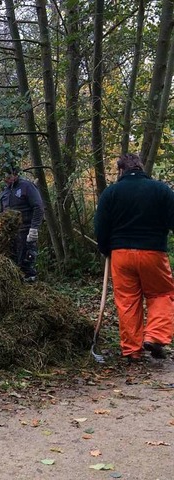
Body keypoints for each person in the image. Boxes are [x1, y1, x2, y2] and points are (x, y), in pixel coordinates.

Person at [94, 153, 174, 362]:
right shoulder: (161, 190)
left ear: (121, 170)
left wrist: (105, 249)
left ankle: (132, 351)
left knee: (127, 301)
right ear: (141, 167)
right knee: (162, 294)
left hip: (121, 254)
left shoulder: (111, 193)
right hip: (153, 252)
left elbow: (101, 226)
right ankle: (155, 336)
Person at [0, 162, 44, 282]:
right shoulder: (5, 192)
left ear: (15, 174)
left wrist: (34, 229)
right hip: (10, 234)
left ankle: (31, 287)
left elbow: (38, 207)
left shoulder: (26, 186)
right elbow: (2, 213)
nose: (7, 180)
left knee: (26, 264)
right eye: (5, 178)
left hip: (26, 232)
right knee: (12, 264)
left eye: (9, 177)